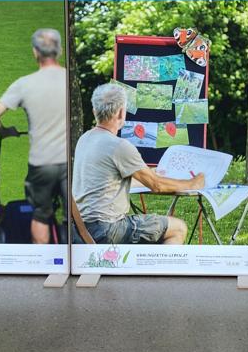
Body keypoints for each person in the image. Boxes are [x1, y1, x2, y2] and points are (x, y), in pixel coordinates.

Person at [71, 83, 203, 245]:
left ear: (94, 111)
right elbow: (157, 186)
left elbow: (106, 181)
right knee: (178, 227)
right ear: (121, 113)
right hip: (108, 230)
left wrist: (148, 173)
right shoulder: (119, 146)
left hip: (80, 229)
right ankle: (159, 270)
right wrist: (191, 184)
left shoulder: (84, 139)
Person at [0, 28, 67, 244]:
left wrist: (5, 131)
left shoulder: (24, 83)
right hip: (69, 162)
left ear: (35, 52)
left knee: (40, 214)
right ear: (59, 50)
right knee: (73, 216)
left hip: (42, 163)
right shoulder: (69, 79)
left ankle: (43, 262)